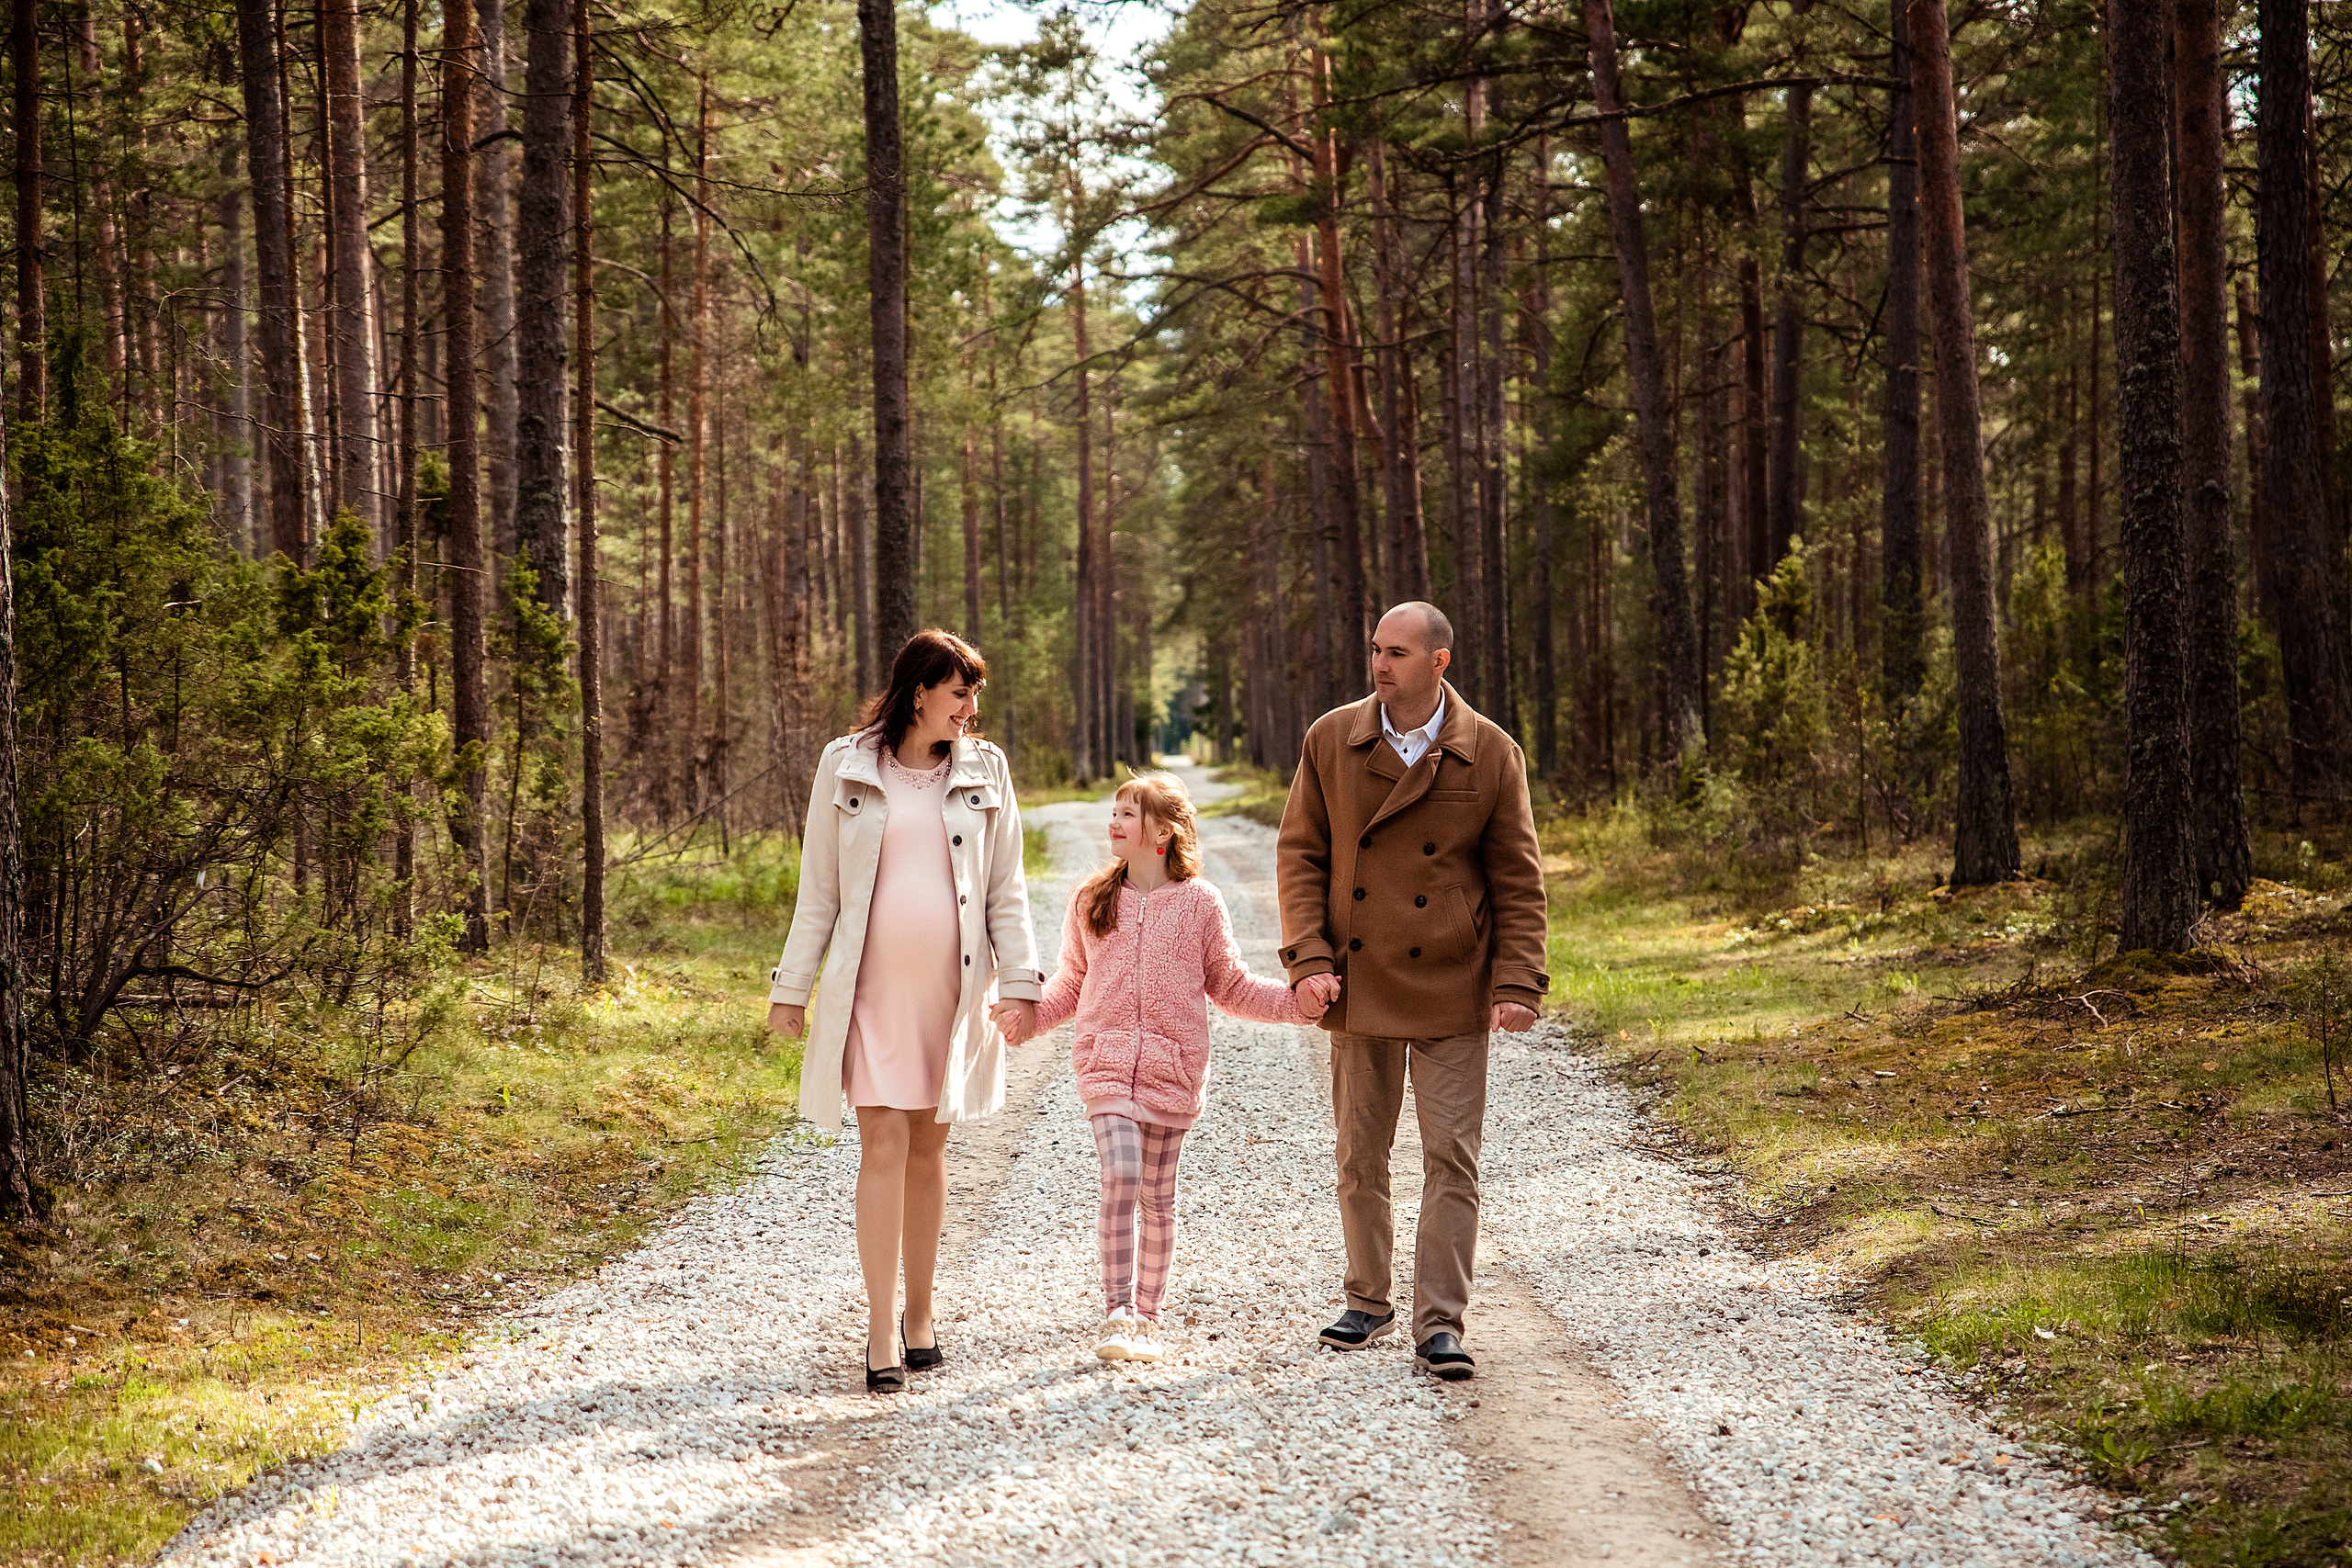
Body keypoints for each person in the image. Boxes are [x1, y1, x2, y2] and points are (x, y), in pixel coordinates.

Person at [1275, 602, 1549, 1382]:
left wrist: (1518, 980)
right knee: (1360, 1153)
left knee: (1450, 1157)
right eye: (1375, 649)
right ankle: (1367, 1296)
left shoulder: (1491, 752)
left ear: (1440, 662)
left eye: (1397, 651)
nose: (1380, 664)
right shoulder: (1332, 739)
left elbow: (1518, 882)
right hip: (1357, 981)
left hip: (1453, 983)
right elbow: (1301, 857)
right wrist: (1310, 958)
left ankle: (1440, 1322)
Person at [765, 629, 1042, 1393]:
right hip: (871, 989)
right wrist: (793, 987)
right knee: (881, 1141)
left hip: (951, 993)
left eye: (974, 694)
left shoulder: (986, 769)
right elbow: (818, 888)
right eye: (960, 693)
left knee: (929, 1146)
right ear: (920, 691)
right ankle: (880, 1325)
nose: (971, 708)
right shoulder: (844, 764)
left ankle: (922, 1314)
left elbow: (1005, 889)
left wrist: (1019, 980)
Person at [1001, 773, 1332, 1364]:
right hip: (1104, 1064)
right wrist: (1029, 1021)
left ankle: (1147, 1318)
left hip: (1172, 1070)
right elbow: (1073, 982)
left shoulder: (1201, 903)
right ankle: (1116, 1312)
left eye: (1130, 813)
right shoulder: (1091, 900)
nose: (1116, 822)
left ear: (1163, 833)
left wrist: (1297, 1006)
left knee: (1158, 1195)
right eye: (1115, 811)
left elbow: (1229, 985)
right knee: (1121, 1176)